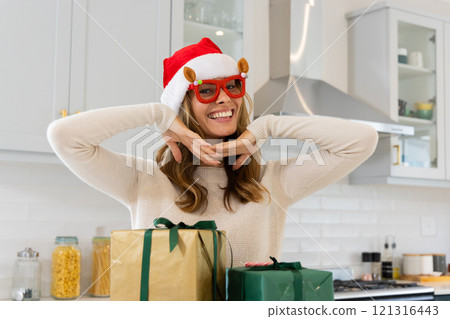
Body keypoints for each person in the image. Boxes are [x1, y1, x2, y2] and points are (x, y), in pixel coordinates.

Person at [47, 37, 378, 266]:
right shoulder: (144, 180)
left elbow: (361, 141)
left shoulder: (272, 182)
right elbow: (64, 136)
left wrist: (266, 128)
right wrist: (159, 115)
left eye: (232, 86)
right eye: (207, 90)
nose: (224, 99)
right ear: (183, 105)